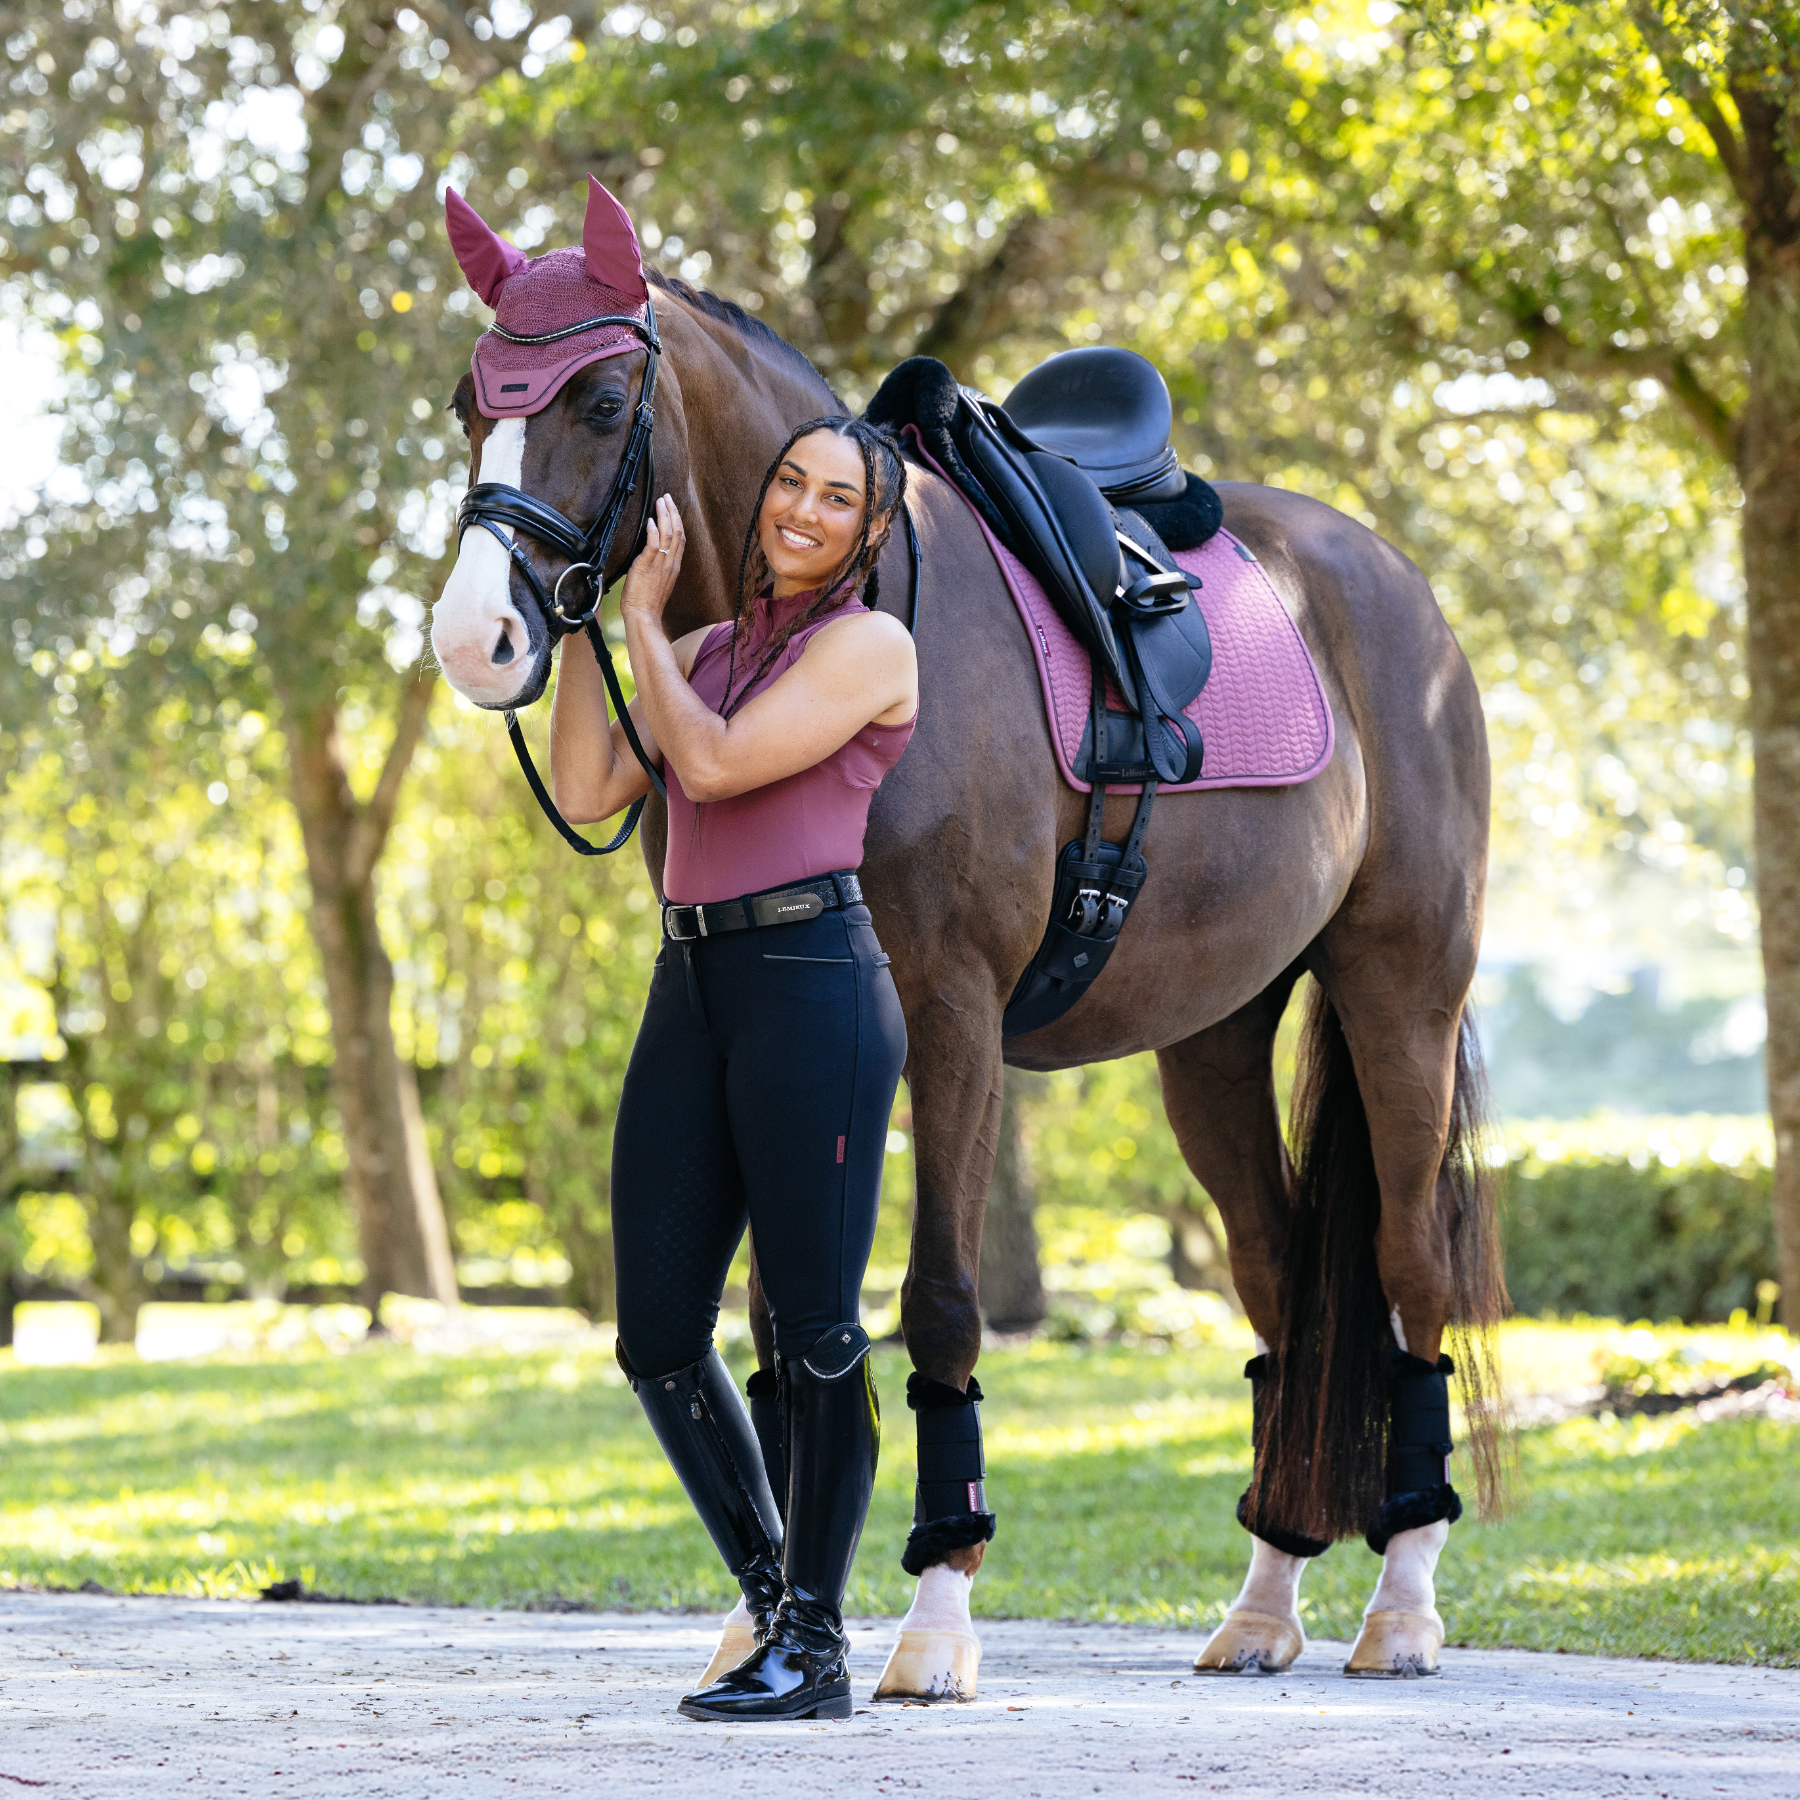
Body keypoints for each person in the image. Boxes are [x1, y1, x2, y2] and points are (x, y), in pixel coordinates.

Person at [548, 416, 917, 1722]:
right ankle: (778, 1608)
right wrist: (585, 620)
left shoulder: (872, 647)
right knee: (655, 1333)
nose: (804, 512)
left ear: (870, 529)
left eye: (838, 498)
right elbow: (593, 785)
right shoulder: (705, 651)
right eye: (791, 487)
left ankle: (815, 1648)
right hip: (689, 984)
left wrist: (644, 619)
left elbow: (702, 760)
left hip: (812, 983)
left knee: (813, 1330)